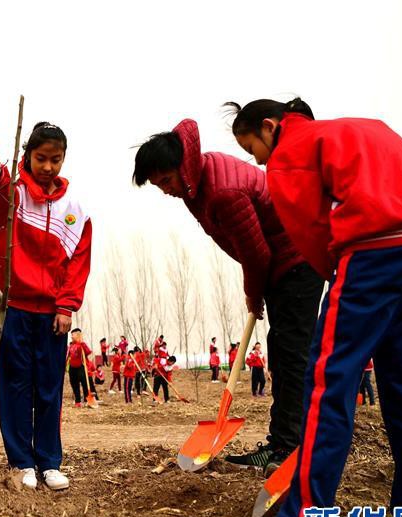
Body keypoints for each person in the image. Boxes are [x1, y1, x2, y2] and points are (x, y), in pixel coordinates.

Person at [223, 98, 402, 517]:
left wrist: (336, 273)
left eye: (255, 149)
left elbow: (308, 232)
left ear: (271, 127)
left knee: (328, 383)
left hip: (376, 251)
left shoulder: (293, 150)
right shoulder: (370, 129)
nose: (260, 161)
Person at [134, 118, 324, 473]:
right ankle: (281, 442)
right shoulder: (198, 183)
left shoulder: (222, 192)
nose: (165, 190)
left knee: (291, 355)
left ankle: (292, 448)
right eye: (158, 185)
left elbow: (257, 254)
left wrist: (254, 293)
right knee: (282, 353)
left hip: (297, 259)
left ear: (182, 166)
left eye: (166, 181)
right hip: (282, 264)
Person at [0, 122, 92, 491]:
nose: (48, 167)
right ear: (28, 156)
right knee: (16, 385)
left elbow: (79, 259)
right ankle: (21, 462)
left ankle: (49, 461)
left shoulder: (74, 208)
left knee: (49, 387)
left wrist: (67, 305)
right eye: (41, 158)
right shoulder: (13, 194)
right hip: (15, 305)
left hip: (52, 314)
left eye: (56, 159)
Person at [66, 328, 92, 408]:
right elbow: (67, 356)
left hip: (81, 367)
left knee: (84, 384)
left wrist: (82, 343)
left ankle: (87, 400)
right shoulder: (70, 346)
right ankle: (78, 401)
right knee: (74, 384)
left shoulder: (81, 344)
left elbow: (88, 352)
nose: (71, 337)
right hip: (72, 368)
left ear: (77, 335)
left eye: (73, 335)